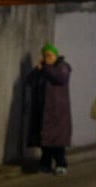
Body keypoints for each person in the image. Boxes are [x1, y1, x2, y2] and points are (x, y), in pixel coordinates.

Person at [27, 43, 73, 175]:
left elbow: (60, 78)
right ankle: (45, 163)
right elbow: (29, 81)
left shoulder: (62, 67)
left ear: (55, 55)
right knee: (45, 141)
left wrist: (46, 67)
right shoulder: (43, 69)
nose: (47, 57)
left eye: (50, 55)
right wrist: (37, 69)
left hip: (57, 112)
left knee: (58, 141)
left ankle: (61, 163)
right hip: (43, 111)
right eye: (45, 55)